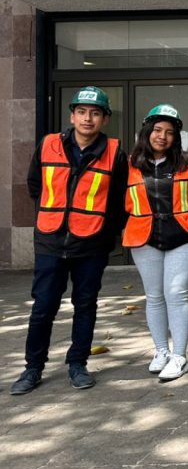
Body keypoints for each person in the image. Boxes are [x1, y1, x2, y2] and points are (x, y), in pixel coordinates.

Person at [11, 86, 129, 395]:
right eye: (82, 112)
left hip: (91, 242)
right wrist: (53, 215)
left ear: (104, 119)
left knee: (85, 305)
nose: (87, 118)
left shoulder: (115, 152)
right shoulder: (49, 144)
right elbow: (35, 184)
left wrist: (107, 234)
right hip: (51, 239)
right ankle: (32, 368)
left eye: (95, 113)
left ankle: (78, 364)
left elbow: (119, 199)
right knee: (43, 307)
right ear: (72, 115)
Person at [123, 104, 188, 382]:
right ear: (147, 132)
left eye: (170, 132)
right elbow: (114, 200)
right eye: (158, 130)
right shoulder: (130, 165)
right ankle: (161, 350)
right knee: (154, 296)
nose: (163, 136)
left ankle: (180, 356)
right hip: (144, 236)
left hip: (181, 236)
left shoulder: (187, 162)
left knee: (176, 293)